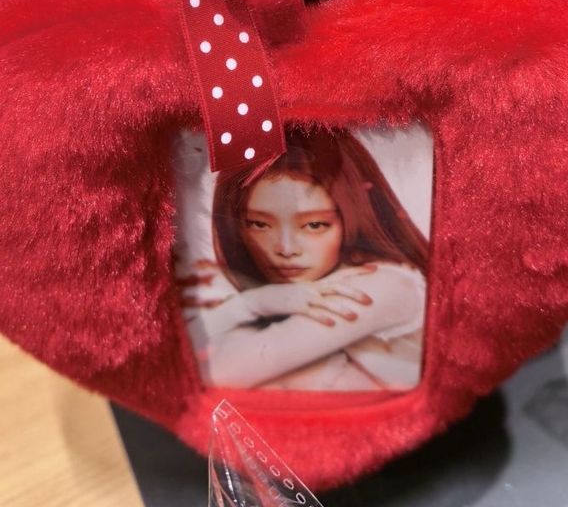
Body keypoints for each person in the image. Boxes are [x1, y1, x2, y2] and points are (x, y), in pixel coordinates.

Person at [180, 129, 428, 391]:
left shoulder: (383, 283)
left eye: (314, 225)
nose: (286, 249)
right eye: (259, 224)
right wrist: (253, 303)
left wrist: (252, 306)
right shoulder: (292, 292)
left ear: (354, 216)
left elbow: (215, 373)